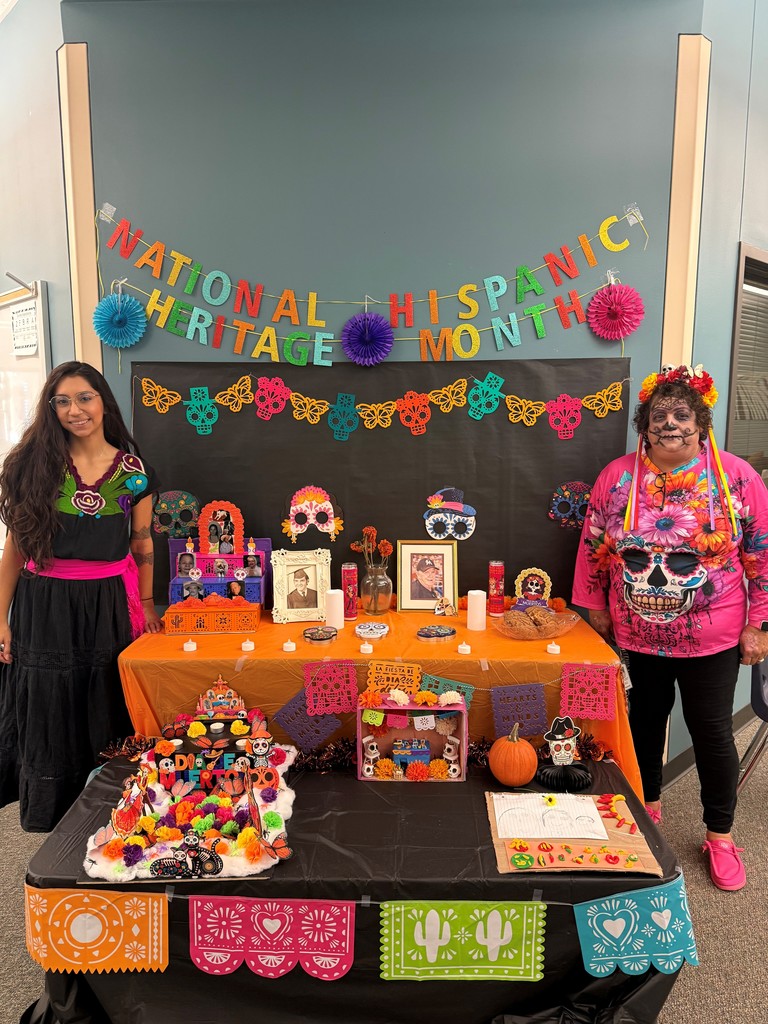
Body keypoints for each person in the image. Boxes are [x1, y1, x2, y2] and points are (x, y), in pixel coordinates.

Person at [573, 364, 768, 892]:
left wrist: (760, 623)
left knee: (713, 735)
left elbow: (762, 554)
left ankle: (720, 836)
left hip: (714, 638)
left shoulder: (737, 478)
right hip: (636, 637)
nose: (670, 424)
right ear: (644, 424)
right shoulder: (617, 477)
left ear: (701, 423)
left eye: (682, 415)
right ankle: (647, 811)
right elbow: (594, 543)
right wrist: (594, 605)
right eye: (659, 416)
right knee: (641, 727)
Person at [0, 361, 162, 833]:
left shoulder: (135, 474)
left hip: (107, 604)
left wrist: (146, 605)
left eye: (85, 397)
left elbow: (142, 544)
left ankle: (111, 818)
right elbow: (15, 550)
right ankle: (53, 822)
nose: (75, 410)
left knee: (104, 702)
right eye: (63, 401)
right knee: (50, 706)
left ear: (103, 402)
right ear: (52, 409)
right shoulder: (33, 467)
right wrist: (1, 617)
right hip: (43, 604)